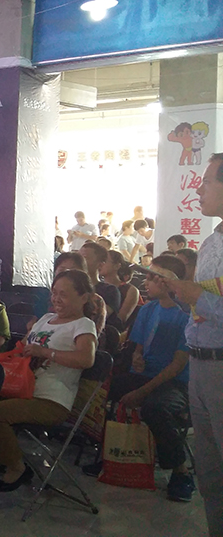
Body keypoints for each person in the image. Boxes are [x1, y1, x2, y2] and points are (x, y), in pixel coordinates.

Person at [85, 255, 195, 501]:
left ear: (168, 281)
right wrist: (136, 357)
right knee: (102, 391)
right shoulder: (148, 309)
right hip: (143, 375)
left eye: (152, 277)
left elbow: (178, 365)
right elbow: (138, 347)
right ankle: (109, 455)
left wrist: (142, 392)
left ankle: (181, 472)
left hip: (173, 383)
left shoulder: (186, 315)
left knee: (157, 408)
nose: (146, 282)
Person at [0, 270, 97, 492]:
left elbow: (86, 359)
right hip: (22, 388)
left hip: (51, 399)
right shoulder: (46, 319)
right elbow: (24, 348)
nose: (56, 299)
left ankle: (16, 467)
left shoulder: (83, 325)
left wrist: (46, 353)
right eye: (54, 293)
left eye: (64, 294)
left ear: (84, 297)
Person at [165, 152, 223, 535]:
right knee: (210, 473)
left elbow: (204, 300)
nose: (199, 190)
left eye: (207, 182)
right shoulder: (211, 242)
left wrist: (196, 296)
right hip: (200, 366)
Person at [79, 242, 121, 319]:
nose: (79, 261)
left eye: (85, 258)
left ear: (100, 265)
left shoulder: (110, 291)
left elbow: (98, 316)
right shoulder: (68, 286)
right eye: (79, 257)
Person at [103, 249, 140, 327]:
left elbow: (121, 319)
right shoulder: (96, 285)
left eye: (104, 261)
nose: (101, 264)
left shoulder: (130, 290)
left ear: (117, 266)